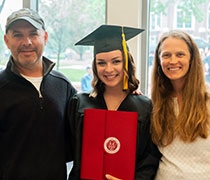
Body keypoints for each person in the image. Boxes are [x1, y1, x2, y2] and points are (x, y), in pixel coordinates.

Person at [67, 25, 161, 180]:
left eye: (116, 61)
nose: (108, 69)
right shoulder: (79, 103)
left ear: (126, 63)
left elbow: (150, 158)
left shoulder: (144, 107)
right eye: (101, 63)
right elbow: (69, 150)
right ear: (95, 67)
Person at [0, 8, 77, 179]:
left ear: (45, 37)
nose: (26, 42)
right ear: (6, 40)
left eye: (33, 34)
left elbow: (85, 123)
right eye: (18, 35)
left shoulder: (62, 85)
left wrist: (123, 95)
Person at [150, 29, 210, 179]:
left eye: (180, 54)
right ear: (159, 61)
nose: (172, 61)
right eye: (166, 55)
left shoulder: (208, 99)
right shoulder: (155, 103)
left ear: (192, 59)